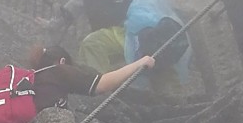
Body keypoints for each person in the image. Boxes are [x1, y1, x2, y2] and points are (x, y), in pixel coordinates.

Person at [28, 43, 157, 108]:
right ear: (62, 61)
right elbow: (102, 84)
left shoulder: (33, 78)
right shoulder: (59, 70)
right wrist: (139, 63)